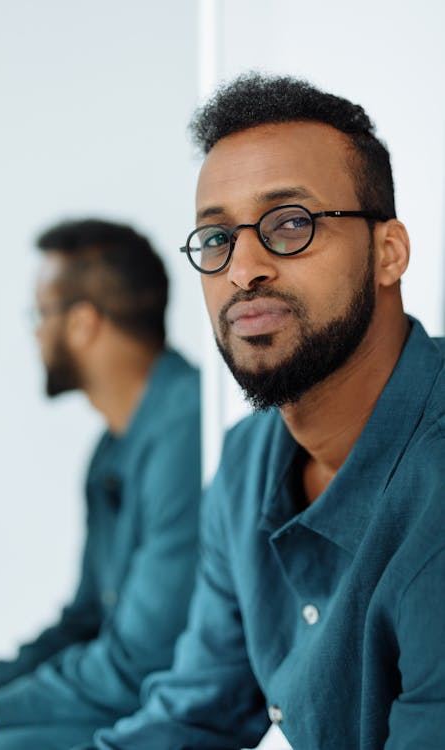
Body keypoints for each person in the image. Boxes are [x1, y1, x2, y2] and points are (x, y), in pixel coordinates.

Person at [80, 74, 445, 750]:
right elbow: (194, 716)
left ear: (388, 252)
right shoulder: (249, 461)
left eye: (289, 224)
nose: (242, 268)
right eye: (215, 238)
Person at [0, 219, 201, 750]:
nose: (36, 332)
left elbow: (140, 661)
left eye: (41, 314)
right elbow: (85, 620)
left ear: (84, 323)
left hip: (175, 713)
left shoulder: (188, 431)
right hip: (123, 697)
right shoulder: (110, 451)